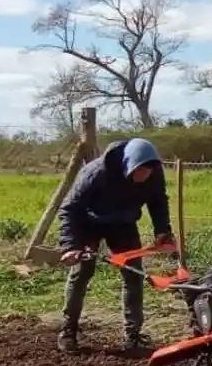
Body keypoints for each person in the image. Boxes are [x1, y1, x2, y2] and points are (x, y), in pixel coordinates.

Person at [57, 137, 176, 354]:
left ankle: (133, 335)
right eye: (138, 173)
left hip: (123, 223)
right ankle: (68, 330)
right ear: (128, 165)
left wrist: (163, 231)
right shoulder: (96, 173)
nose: (142, 177)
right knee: (82, 272)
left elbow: (158, 200)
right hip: (89, 221)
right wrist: (70, 246)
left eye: (147, 173)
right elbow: (69, 208)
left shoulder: (155, 173)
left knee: (134, 274)